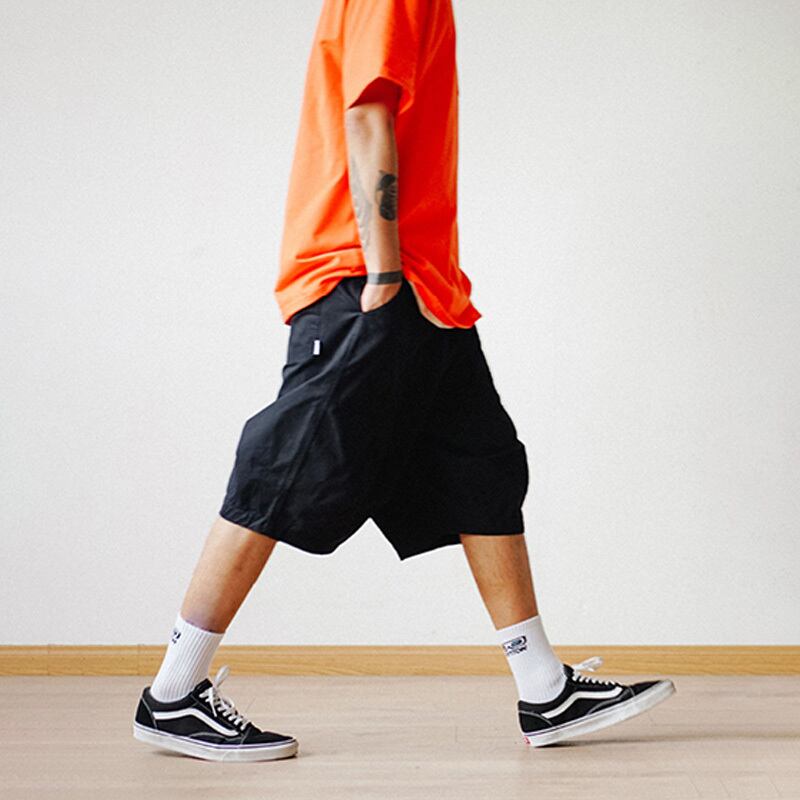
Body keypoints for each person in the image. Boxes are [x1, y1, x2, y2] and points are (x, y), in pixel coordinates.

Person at [132, 0, 675, 762]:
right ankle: (173, 692)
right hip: (369, 279)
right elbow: (366, 115)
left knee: (483, 469)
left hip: (429, 290)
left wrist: (409, 278)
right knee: (279, 467)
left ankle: (544, 688)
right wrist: (384, 272)